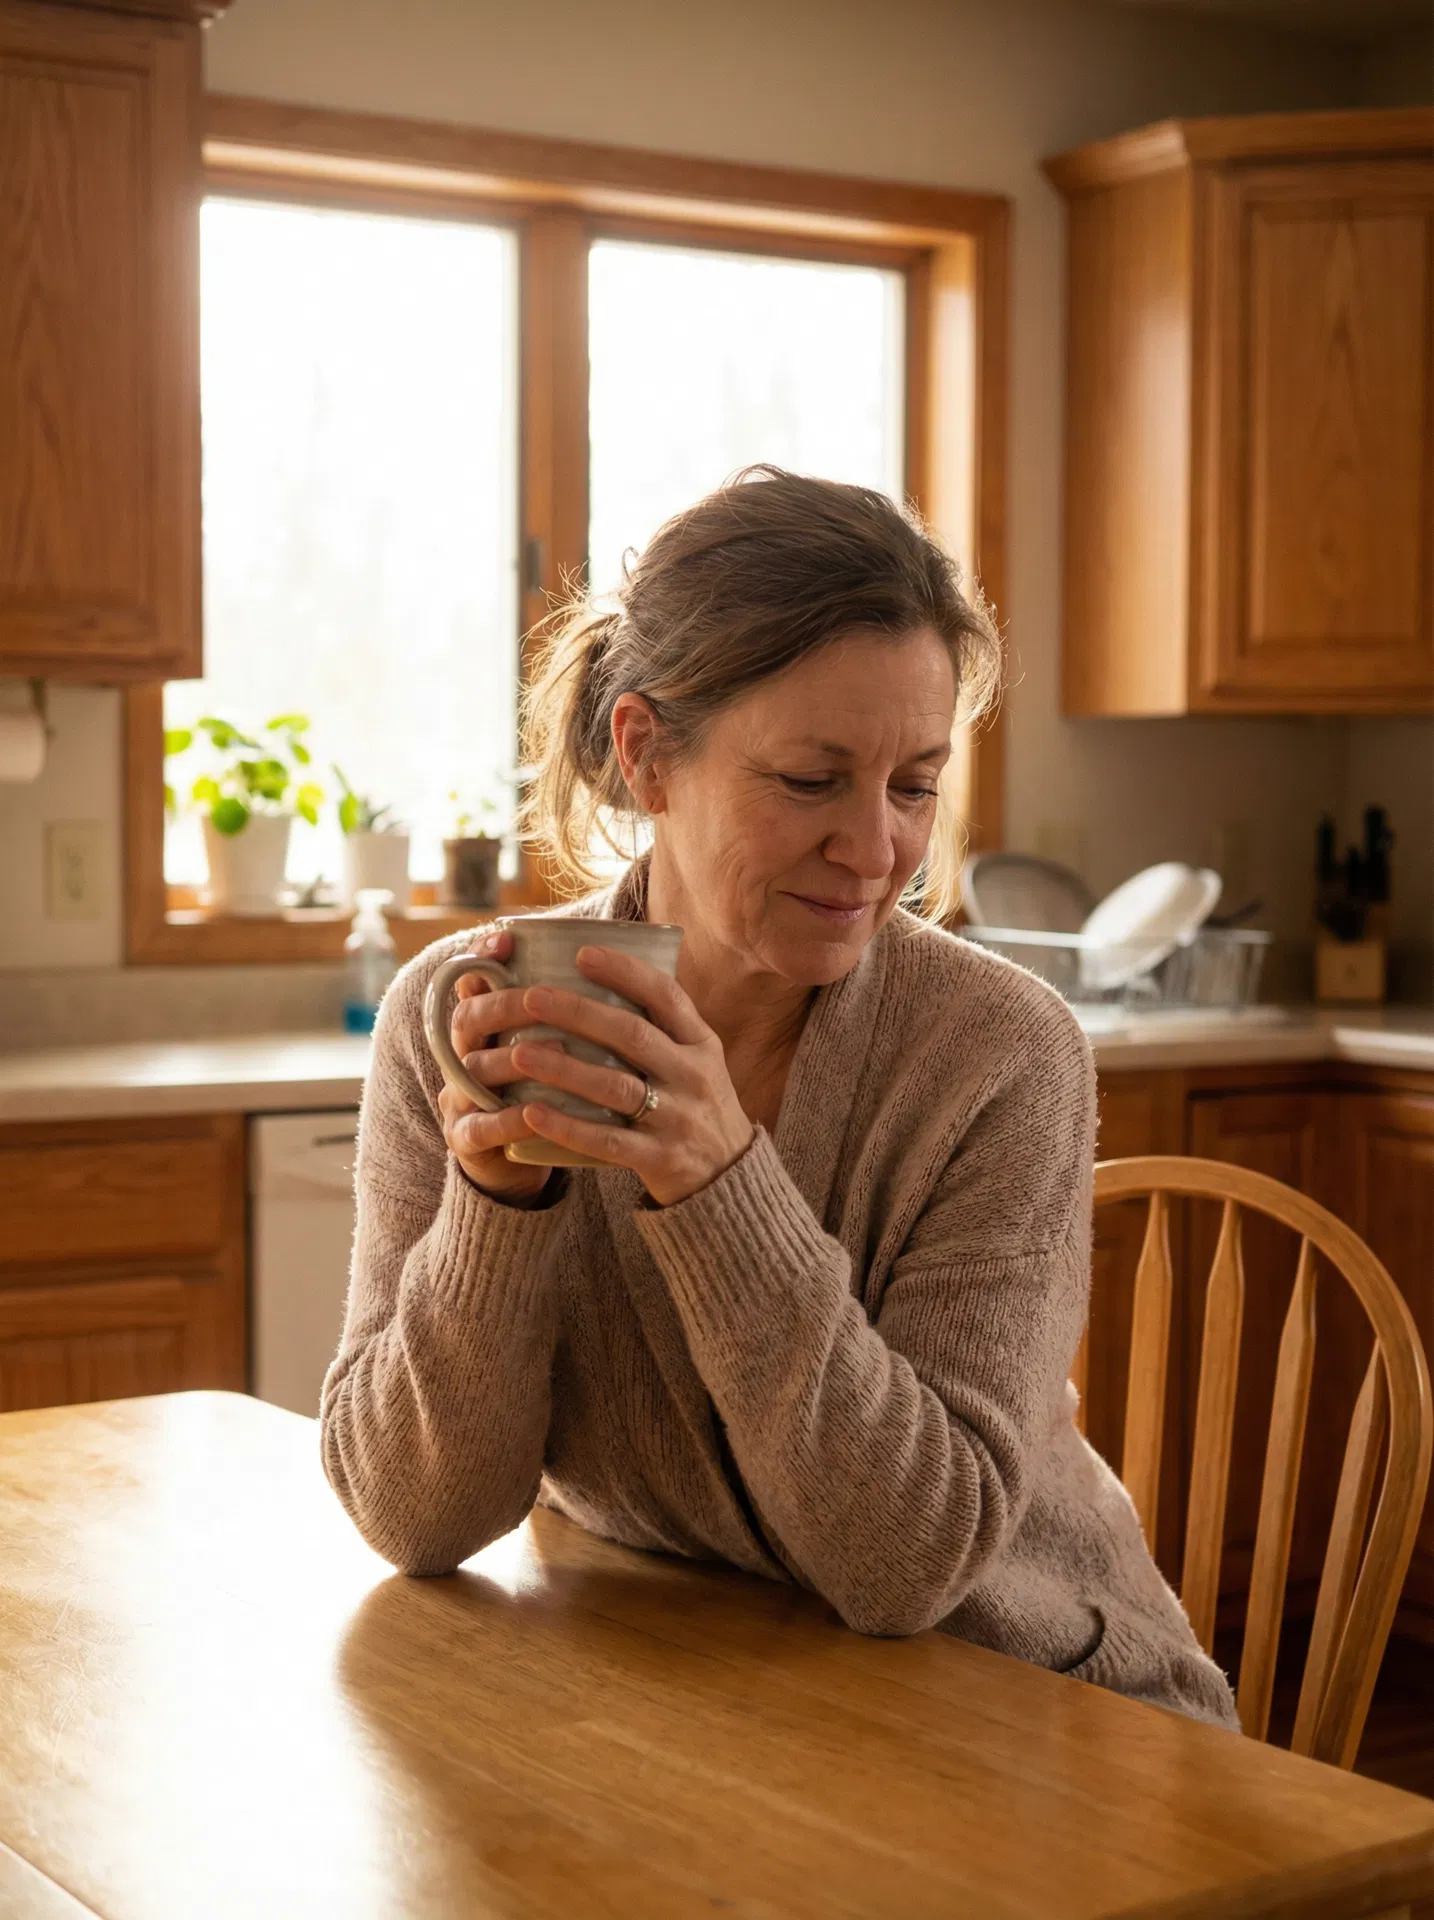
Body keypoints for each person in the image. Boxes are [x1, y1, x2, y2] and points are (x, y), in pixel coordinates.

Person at [322, 466, 1237, 1730]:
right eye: (811, 781)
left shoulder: (1002, 1053)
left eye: (914, 785)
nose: (875, 853)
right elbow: (413, 1518)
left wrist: (714, 1184)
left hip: (1037, 1714)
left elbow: (908, 1565)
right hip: (728, 1701)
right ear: (645, 755)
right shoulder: (463, 1016)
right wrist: (495, 1199)